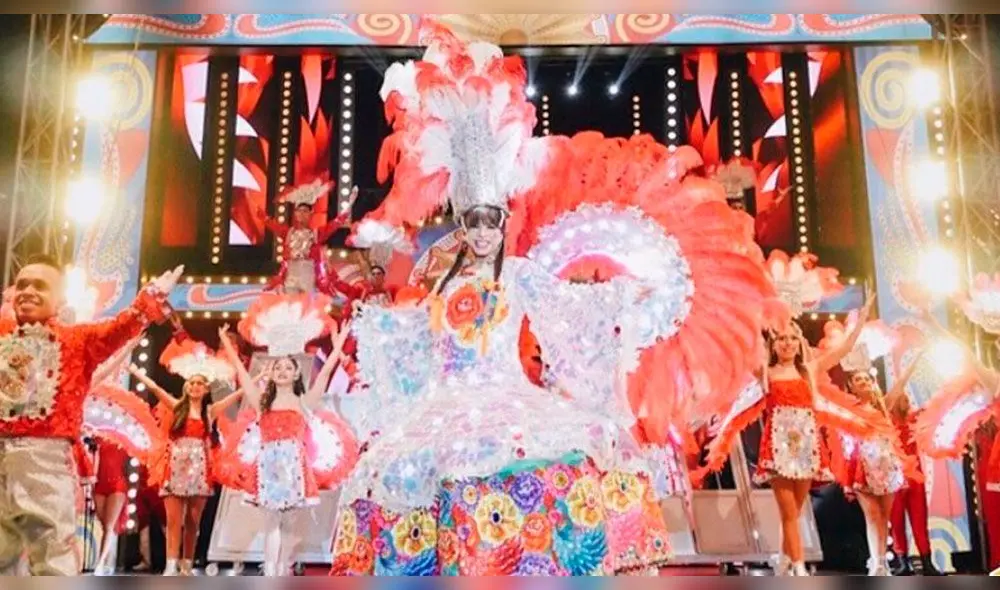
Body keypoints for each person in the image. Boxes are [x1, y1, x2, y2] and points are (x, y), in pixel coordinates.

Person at [329, 26, 775, 576]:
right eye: (474, 222)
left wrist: (616, 296)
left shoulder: (516, 274)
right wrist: (377, 325)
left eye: (493, 220)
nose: (486, 231)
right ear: (463, 225)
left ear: (502, 221)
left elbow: (567, 308)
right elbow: (418, 334)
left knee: (570, 450)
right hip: (445, 405)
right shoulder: (442, 280)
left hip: (509, 395)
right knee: (397, 470)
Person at [0, 255, 181, 575]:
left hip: (44, 460)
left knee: (53, 552)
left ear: (59, 300)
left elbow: (120, 327)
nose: (27, 291)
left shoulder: (76, 341)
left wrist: (149, 298)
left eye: (39, 286)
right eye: (22, 285)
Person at [697, 302, 889, 576]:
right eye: (782, 339)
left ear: (799, 343)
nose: (787, 344)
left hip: (806, 450)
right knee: (788, 513)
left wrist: (861, 321)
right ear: (774, 345)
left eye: (792, 339)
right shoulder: (767, 373)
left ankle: (784, 560)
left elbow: (843, 350)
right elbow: (741, 349)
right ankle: (798, 567)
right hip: (777, 451)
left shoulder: (808, 371)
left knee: (795, 513)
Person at [216, 321, 358, 577]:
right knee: (271, 523)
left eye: (287, 367)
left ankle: (283, 570)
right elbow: (242, 375)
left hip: (293, 467)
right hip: (268, 467)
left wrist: (338, 347)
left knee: (289, 524)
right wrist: (227, 344)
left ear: (296, 374)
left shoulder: (304, 402)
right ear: (271, 373)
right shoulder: (262, 403)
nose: (282, 371)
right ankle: (271, 571)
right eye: (278, 367)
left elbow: (324, 374)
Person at [127, 337, 245, 576]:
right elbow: (155, 388)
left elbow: (236, 396)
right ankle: (171, 565)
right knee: (173, 521)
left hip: (200, 472)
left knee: (193, 522)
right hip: (175, 469)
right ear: (186, 386)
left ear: (206, 388)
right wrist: (132, 370)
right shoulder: (176, 406)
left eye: (200, 384)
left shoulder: (209, 411)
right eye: (192, 383)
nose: (195, 387)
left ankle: (187, 565)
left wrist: (258, 378)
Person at [841, 357, 922, 576]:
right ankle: (876, 563)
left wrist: (913, 364)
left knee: (884, 517)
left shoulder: (883, 407)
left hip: (886, 468)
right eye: (858, 379)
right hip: (862, 468)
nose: (864, 382)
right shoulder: (848, 409)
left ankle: (882, 564)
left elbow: (898, 387)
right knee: (873, 516)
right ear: (851, 386)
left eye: (867, 378)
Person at [257, 182, 357, 294]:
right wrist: (264, 218)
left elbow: (335, 223)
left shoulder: (316, 233)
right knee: (291, 304)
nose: (302, 214)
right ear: (295, 213)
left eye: (305, 211)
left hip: (307, 272)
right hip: (291, 271)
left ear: (310, 213)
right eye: (299, 211)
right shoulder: (289, 232)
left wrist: (349, 205)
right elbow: (274, 226)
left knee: (306, 303)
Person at [885, 389, 942, 575]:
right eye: (900, 399)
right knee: (897, 521)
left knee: (919, 520)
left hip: (915, 478)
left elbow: (933, 407)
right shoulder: (885, 422)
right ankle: (902, 562)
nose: (905, 402)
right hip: (894, 477)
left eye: (906, 399)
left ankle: (927, 562)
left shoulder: (912, 419)